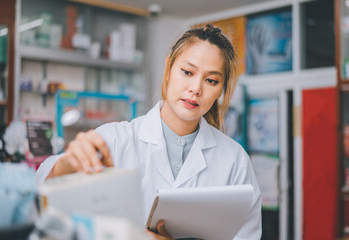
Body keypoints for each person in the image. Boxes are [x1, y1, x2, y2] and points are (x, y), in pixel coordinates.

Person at [36, 24, 262, 239]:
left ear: (220, 90)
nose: (196, 88)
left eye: (211, 80)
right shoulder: (114, 140)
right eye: (187, 72)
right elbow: (39, 205)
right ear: (168, 69)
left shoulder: (234, 160)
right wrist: (63, 168)